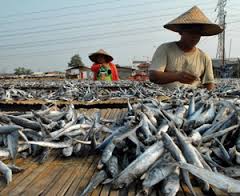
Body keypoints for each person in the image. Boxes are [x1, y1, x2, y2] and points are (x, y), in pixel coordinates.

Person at [149, 6, 223, 90]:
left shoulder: (204, 57)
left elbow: (208, 84)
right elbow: (153, 76)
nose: (195, 37)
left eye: (198, 33)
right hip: (166, 99)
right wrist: (176, 76)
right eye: (191, 32)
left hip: (194, 98)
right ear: (181, 32)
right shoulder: (165, 49)